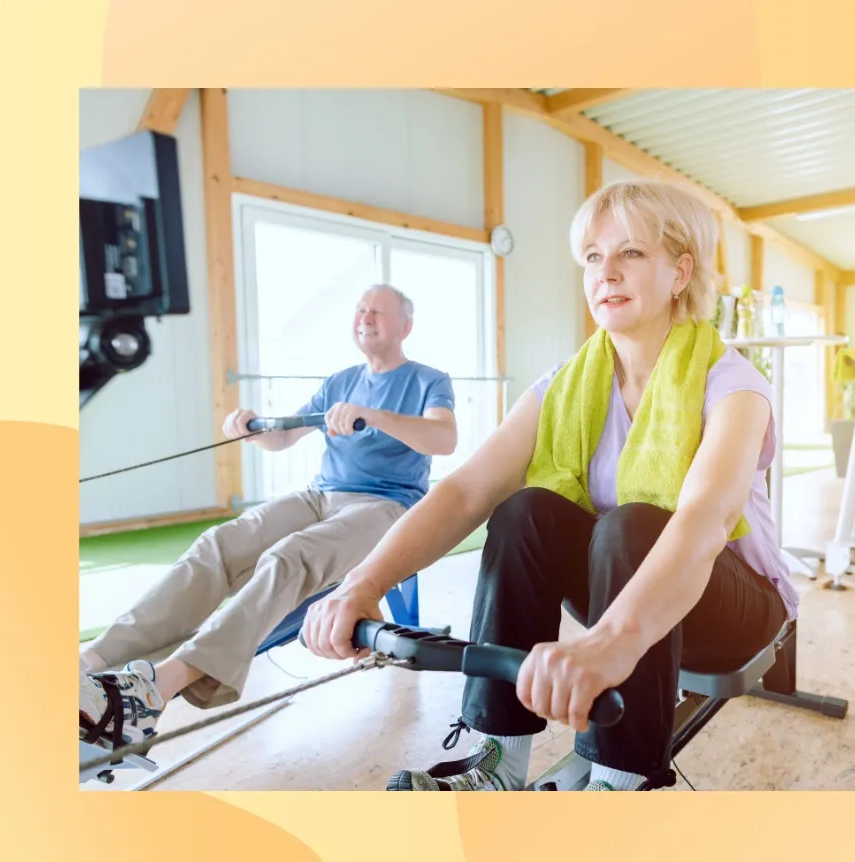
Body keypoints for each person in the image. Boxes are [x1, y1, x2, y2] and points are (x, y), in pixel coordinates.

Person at [302, 180, 799, 792]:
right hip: (621, 591)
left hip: (730, 610)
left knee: (636, 523)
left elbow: (704, 520)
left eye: (632, 254)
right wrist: (363, 582)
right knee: (524, 511)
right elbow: (465, 491)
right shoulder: (566, 385)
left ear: (680, 272)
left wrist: (611, 643)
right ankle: (498, 761)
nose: (606, 273)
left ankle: (623, 780)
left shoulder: (733, 384)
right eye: (594, 257)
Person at [78, 283, 458, 751]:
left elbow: (444, 439)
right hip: (321, 495)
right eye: (360, 309)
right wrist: (250, 428)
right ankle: (94, 660)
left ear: (406, 326)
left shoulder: (428, 380)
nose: (365, 316)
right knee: (217, 545)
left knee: (289, 556)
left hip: (386, 506)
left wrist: (375, 416)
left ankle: (160, 686)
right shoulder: (340, 381)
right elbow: (284, 436)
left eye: (378, 311)